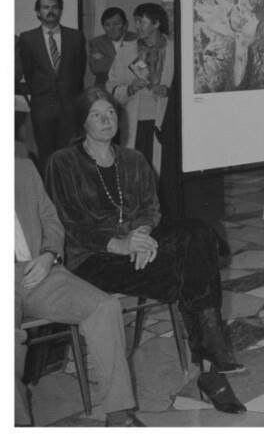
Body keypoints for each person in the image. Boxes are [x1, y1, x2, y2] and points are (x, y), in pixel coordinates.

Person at [44, 87, 246, 415]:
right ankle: (212, 365)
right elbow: (69, 223)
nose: (106, 120)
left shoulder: (133, 159)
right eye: (96, 115)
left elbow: (151, 207)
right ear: (83, 123)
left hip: (139, 243)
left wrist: (141, 234)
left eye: (110, 113)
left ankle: (212, 355)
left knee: (198, 232)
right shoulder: (63, 162)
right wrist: (120, 244)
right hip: (93, 257)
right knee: (192, 269)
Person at [15, 104, 141, 426]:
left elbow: (51, 220)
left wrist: (48, 254)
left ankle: (119, 414)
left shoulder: (22, 168)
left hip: (38, 269)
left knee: (105, 307)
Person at [17, 0, 87, 167]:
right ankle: (48, 185)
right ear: (38, 12)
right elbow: (28, 72)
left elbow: (79, 71)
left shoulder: (76, 37)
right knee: (46, 154)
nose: (50, 11)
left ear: (61, 10)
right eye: (45, 7)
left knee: (70, 154)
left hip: (70, 106)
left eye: (55, 7)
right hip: (42, 107)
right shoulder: (27, 38)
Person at [106, 3, 173, 172]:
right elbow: (111, 86)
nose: (136, 26)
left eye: (141, 21)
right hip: (137, 122)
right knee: (138, 172)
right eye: (135, 21)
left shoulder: (175, 50)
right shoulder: (126, 51)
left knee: (165, 172)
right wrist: (130, 89)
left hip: (168, 122)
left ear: (156, 23)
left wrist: (168, 91)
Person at [88, 7, 137, 89]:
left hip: (132, 87)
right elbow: (96, 68)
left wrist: (107, 59)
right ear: (103, 27)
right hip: (104, 89)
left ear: (125, 25)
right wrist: (128, 60)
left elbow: (142, 68)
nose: (112, 28)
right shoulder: (96, 42)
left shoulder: (136, 39)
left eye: (116, 24)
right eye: (107, 25)